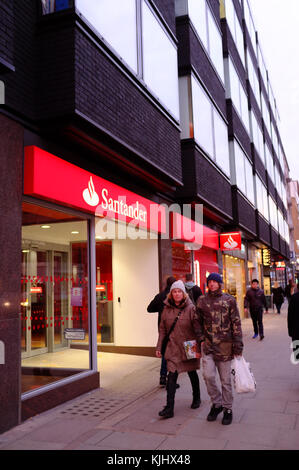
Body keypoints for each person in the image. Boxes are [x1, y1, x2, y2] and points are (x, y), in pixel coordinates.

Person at [196, 273, 243, 426]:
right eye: (210, 282)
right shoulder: (202, 301)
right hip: (208, 347)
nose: (212, 284)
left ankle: (228, 409)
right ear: (207, 283)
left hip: (225, 348)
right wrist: (201, 339)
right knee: (208, 376)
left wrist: (238, 345)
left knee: (225, 381)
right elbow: (197, 322)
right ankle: (217, 404)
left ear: (220, 284)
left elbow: (236, 323)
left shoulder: (229, 300)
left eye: (215, 282)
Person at [156, 280, 202, 419]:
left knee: (191, 372)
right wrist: (159, 347)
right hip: (173, 347)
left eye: (179, 291)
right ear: (171, 294)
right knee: (172, 376)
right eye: (174, 291)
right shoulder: (166, 308)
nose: (177, 294)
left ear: (184, 294)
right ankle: (169, 408)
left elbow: (197, 329)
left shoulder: (190, 308)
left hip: (189, 346)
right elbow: (162, 330)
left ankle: (197, 398)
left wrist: (200, 346)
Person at [147, 276, 176, 386]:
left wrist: (159, 308)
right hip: (174, 327)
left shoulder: (160, 296)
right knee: (173, 353)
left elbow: (149, 309)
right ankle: (170, 378)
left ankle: (163, 376)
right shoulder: (176, 296)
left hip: (162, 327)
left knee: (164, 352)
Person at [288, 290, 299, 363]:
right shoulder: (294, 297)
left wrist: (290, 331)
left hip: (296, 330)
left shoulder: (294, 297)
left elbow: (290, 316)